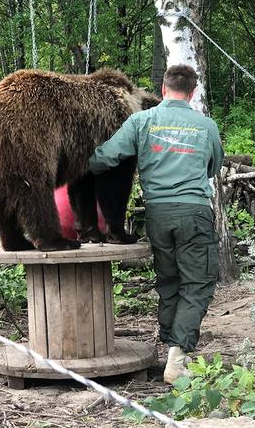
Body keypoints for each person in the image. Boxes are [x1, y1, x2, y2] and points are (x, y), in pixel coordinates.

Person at [88, 64, 224, 384]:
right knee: (198, 281)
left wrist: (68, 169)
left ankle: (171, 345)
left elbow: (104, 157)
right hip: (194, 213)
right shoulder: (206, 126)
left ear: (163, 89)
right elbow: (213, 167)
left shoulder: (141, 121)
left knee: (169, 280)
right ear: (192, 93)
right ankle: (177, 355)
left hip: (157, 214)